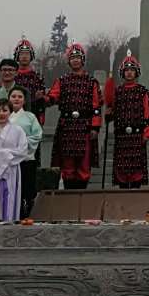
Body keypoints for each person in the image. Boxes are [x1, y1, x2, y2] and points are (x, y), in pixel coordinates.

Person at [47, 42, 102, 189]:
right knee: (67, 162)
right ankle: (68, 196)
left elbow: (96, 106)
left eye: (78, 57)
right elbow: (52, 97)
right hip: (67, 126)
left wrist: (95, 128)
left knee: (84, 163)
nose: (75, 60)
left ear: (83, 60)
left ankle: (82, 196)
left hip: (85, 126)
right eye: (72, 58)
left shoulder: (91, 82)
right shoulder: (62, 80)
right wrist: (43, 98)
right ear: (68, 61)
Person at [106, 51, 149, 189]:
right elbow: (111, 112)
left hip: (137, 136)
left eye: (132, 70)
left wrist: (147, 133)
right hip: (121, 137)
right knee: (121, 172)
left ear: (136, 72)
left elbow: (147, 114)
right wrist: (108, 114)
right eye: (126, 70)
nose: (129, 73)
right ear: (122, 72)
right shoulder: (117, 92)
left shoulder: (142, 91)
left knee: (136, 172)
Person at [9, 89, 44, 216]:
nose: (16, 99)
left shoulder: (30, 116)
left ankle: (26, 213)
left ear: (24, 100)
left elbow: (37, 135)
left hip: (26, 158)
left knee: (26, 190)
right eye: (13, 96)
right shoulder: (3, 115)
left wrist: (20, 142)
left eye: (20, 97)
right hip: (8, 161)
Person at [12, 38, 47, 125]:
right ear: (17, 56)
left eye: (27, 54)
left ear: (31, 56)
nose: (24, 56)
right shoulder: (12, 76)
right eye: (22, 54)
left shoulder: (38, 77)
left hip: (33, 115)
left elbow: (42, 102)